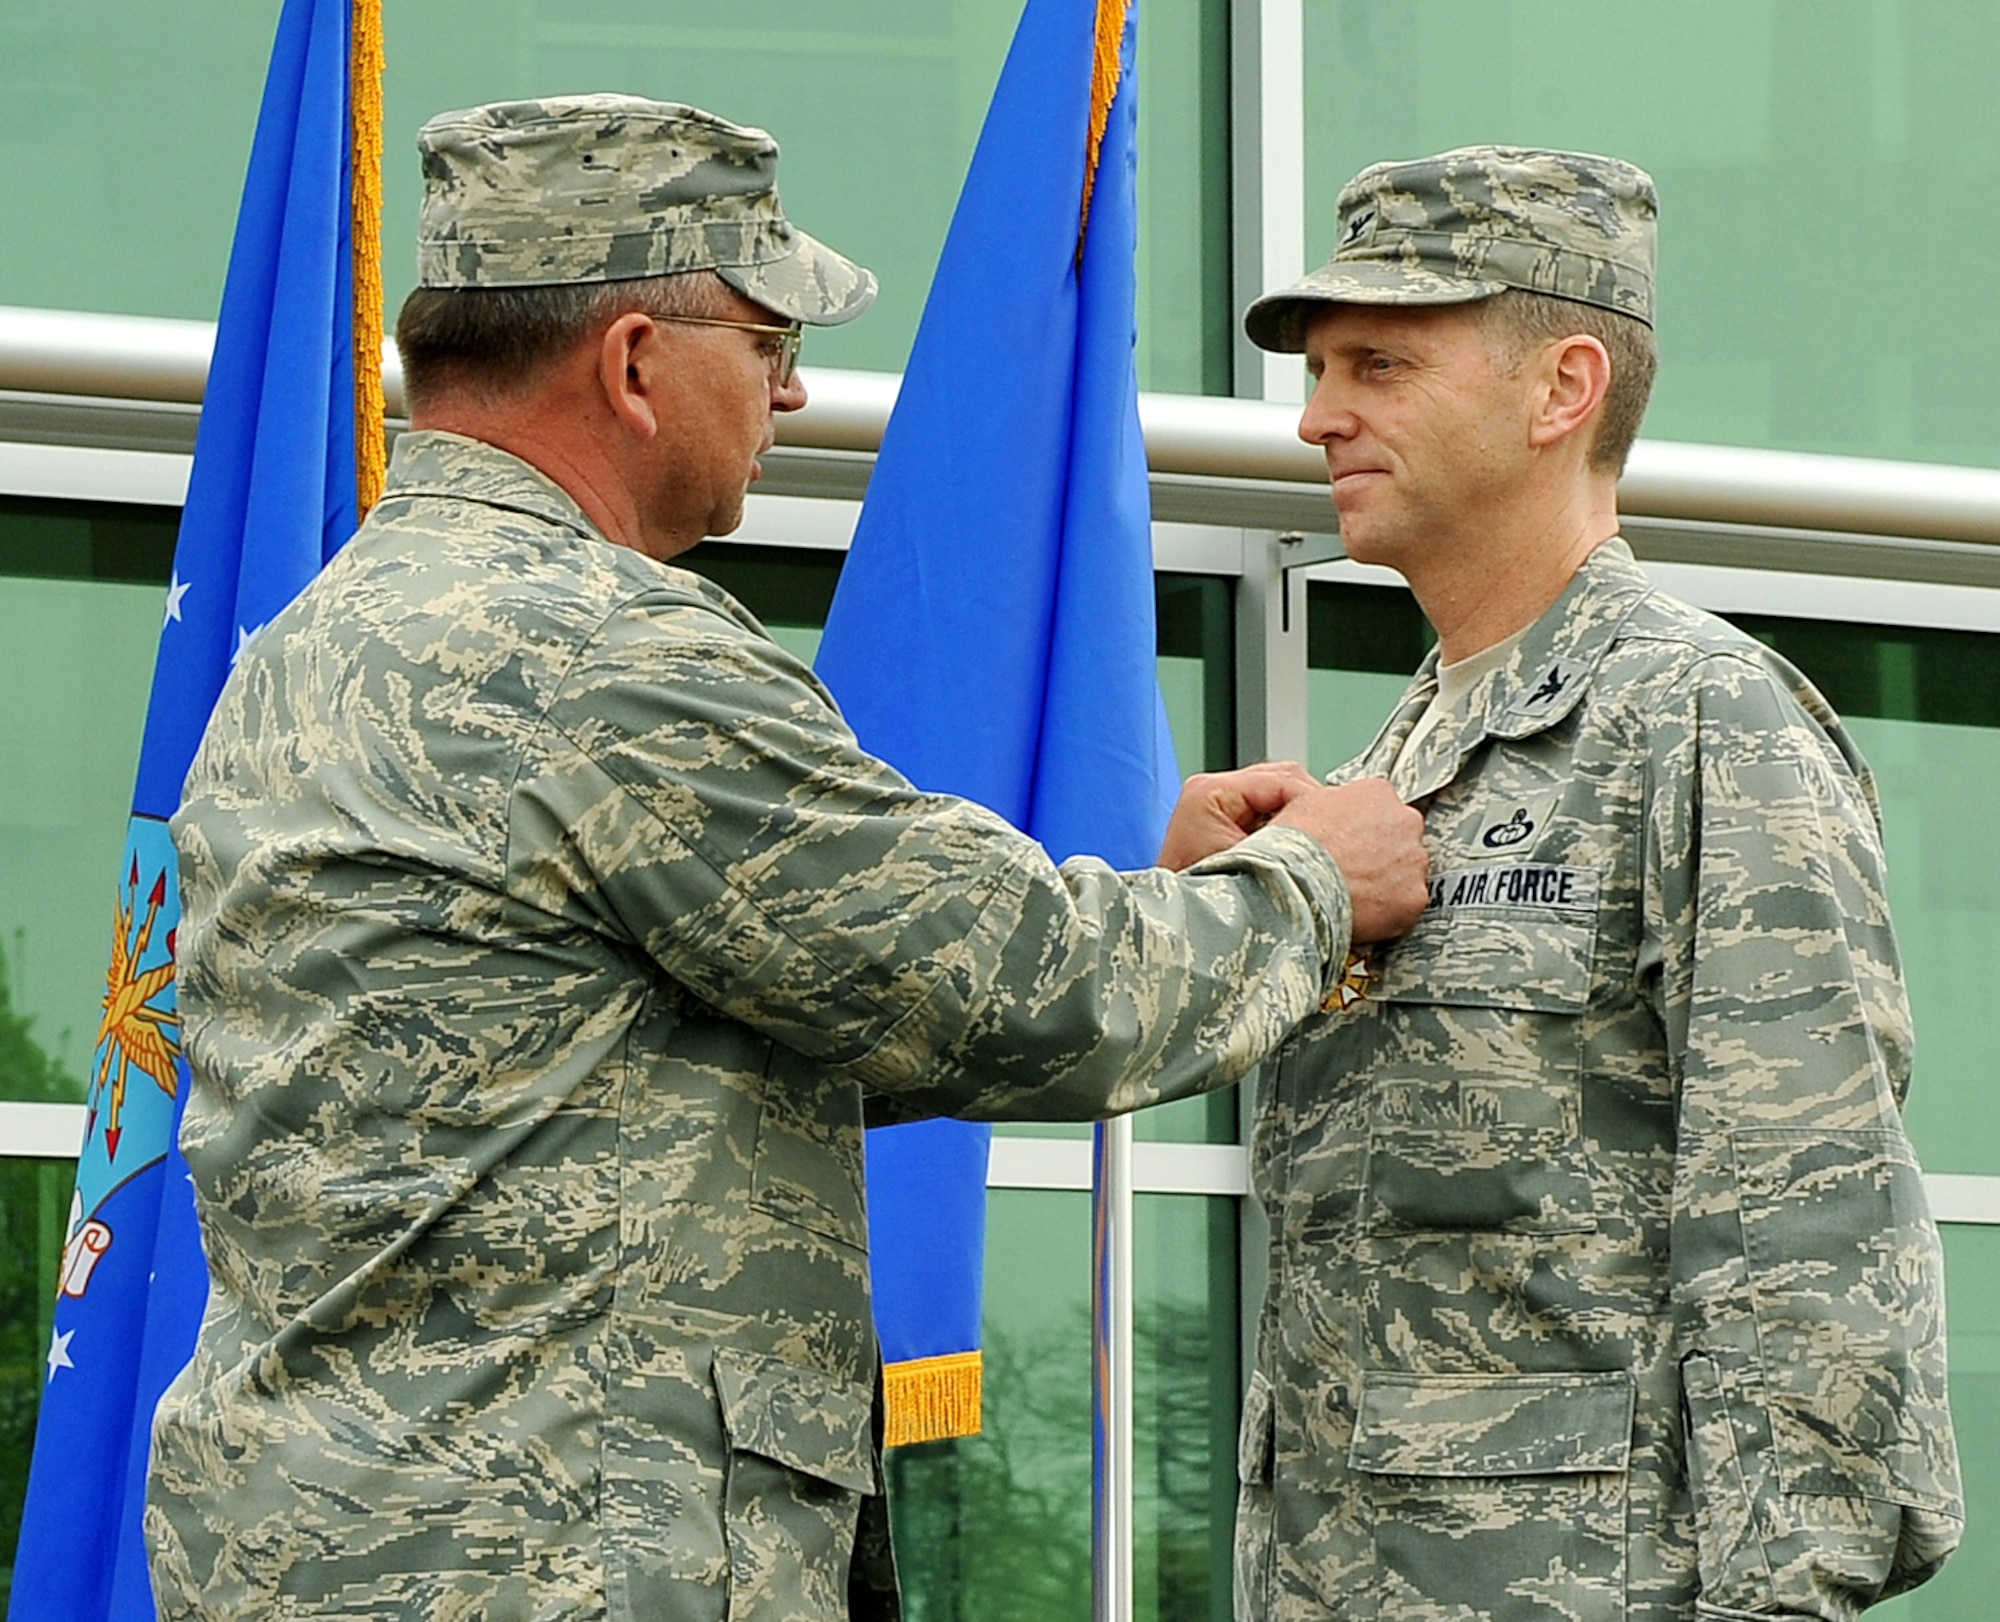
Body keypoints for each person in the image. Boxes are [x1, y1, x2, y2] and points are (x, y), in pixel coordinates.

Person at [142, 95, 1430, 1621]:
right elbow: (1011, 990)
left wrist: (1167, 885)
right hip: (556, 1557)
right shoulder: (602, 655)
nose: (798, 393)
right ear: (633, 364)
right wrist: (1307, 888)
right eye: (765, 345)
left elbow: (617, 1047)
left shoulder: (305, 653)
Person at [1231, 147, 1962, 1621]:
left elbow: (1807, 1235)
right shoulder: (1405, 752)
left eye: (1379, 363)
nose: (1318, 415)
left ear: (1562, 388)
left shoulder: (1703, 720)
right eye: (1320, 370)